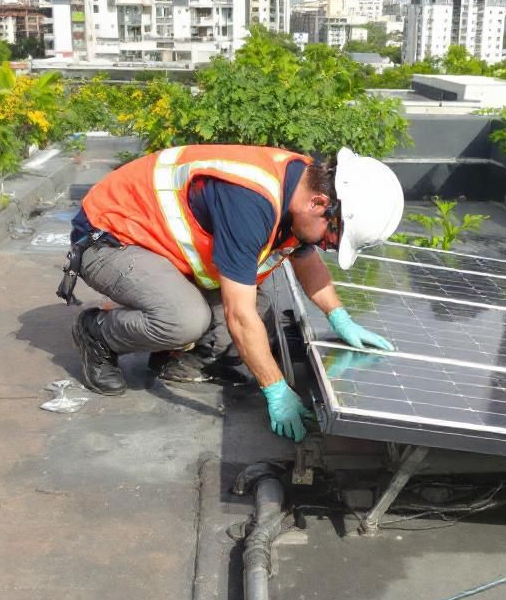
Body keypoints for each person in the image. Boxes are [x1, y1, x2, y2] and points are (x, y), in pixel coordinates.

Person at [65, 144, 403, 442]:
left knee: (261, 306)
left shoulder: (303, 185)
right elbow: (239, 315)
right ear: (320, 203)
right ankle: (98, 335)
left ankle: (173, 358)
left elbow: (305, 257)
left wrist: (340, 317)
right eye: (333, 237)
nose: (327, 245)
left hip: (160, 245)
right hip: (109, 238)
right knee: (186, 320)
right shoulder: (251, 202)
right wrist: (276, 389)